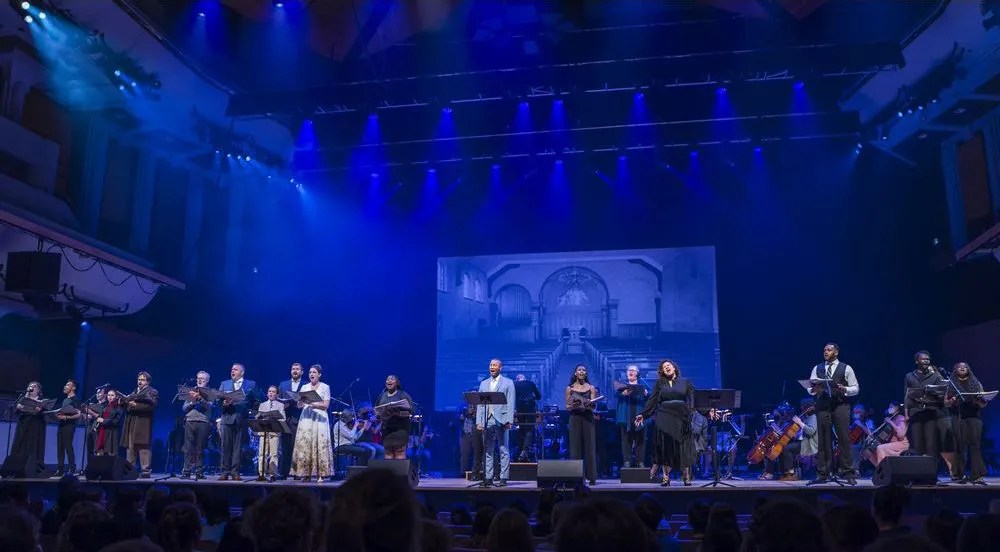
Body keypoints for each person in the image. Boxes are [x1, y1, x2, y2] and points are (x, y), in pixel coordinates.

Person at [635, 359, 695, 486]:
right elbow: (653, 400)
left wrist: (696, 411)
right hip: (664, 417)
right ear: (662, 371)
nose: (666, 368)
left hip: (681, 417)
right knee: (665, 447)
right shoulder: (659, 383)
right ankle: (666, 478)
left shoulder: (685, 382)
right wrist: (644, 414)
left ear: (674, 367)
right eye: (664, 367)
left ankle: (686, 477)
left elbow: (693, 399)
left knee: (683, 447)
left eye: (668, 365)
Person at [807, 343, 860, 485]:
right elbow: (810, 386)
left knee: (844, 439)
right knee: (823, 440)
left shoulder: (846, 368)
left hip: (840, 405)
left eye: (829, 350)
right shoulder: (817, 368)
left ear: (836, 353)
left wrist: (845, 389)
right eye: (824, 350)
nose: (825, 352)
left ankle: (848, 472)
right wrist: (813, 390)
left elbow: (855, 388)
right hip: (823, 405)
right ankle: (823, 473)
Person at [903, 351, 947, 476]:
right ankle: (918, 474)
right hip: (916, 413)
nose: (926, 361)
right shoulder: (909, 376)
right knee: (917, 444)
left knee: (931, 444)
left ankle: (932, 474)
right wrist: (906, 414)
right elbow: (906, 396)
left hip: (931, 412)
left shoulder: (935, 376)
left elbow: (942, 392)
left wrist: (934, 391)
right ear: (917, 361)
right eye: (923, 359)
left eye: (928, 359)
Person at [291, 364, 333, 482]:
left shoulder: (325, 387)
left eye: (314, 372)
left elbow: (326, 405)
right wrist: (299, 401)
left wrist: (312, 403)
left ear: (319, 374)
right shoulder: (304, 387)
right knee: (306, 443)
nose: (311, 374)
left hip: (319, 418)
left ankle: (321, 473)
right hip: (306, 418)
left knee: (319, 443)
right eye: (310, 372)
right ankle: (305, 473)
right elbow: (300, 405)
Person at [476, 359, 514, 487]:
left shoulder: (508, 383)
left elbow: (510, 402)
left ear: (500, 368)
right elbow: (480, 405)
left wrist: (509, 420)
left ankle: (503, 477)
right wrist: (479, 421)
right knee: (488, 450)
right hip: (488, 419)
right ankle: (488, 477)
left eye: (495, 365)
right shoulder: (483, 383)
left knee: (503, 449)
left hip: (502, 419)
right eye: (491, 365)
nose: (492, 367)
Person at [947, 361, 987, 484]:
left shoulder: (976, 383)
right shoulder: (951, 384)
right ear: (955, 369)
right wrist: (952, 400)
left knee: (975, 446)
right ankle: (959, 474)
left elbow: (983, 404)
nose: (963, 368)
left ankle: (977, 475)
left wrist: (979, 401)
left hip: (974, 417)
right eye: (960, 367)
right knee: (960, 446)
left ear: (968, 369)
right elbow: (945, 403)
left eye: (965, 367)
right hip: (958, 417)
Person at [219, 363, 256, 481]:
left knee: (237, 447)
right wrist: (223, 403)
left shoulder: (250, 384)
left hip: (240, 418)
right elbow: (218, 400)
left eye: (235, 369)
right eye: (232, 369)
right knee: (225, 446)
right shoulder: (224, 384)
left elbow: (252, 401)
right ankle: (224, 472)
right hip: (227, 417)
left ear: (242, 372)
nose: (232, 371)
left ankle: (235, 471)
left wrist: (235, 402)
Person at [122, 371, 159, 478]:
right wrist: (125, 402)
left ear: (148, 381)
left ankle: (145, 471)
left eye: (142, 380)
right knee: (130, 447)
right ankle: (130, 470)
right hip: (132, 421)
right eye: (139, 379)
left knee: (143, 447)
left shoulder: (152, 391)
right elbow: (128, 406)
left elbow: (151, 406)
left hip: (143, 423)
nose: (139, 381)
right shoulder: (134, 392)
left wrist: (135, 405)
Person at [566, 364, 598, 485]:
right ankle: (576, 476)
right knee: (575, 447)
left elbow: (594, 407)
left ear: (586, 373)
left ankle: (592, 477)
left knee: (590, 447)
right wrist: (573, 405)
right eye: (579, 369)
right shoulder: (570, 388)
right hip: (575, 418)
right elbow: (567, 407)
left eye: (584, 370)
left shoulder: (591, 388)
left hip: (588, 418)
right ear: (575, 373)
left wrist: (590, 404)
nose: (581, 371)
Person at [615, 364, 649, 468]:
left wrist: (646, 394)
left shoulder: (643, 386)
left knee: (641, 439)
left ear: (637, 373)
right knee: (626, 440)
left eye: (633, 370)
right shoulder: (621, 386)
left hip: (639, 414)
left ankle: (640, 461)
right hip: (626, 416)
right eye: (629, 370)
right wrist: (623, 393)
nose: (631, 372)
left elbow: (649, 400)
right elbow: (616, 395)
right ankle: (627, 460)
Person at [180, 371, 212, 480]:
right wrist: (193, 402)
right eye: (198, 378)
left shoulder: (210, 392)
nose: (199, 380)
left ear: (207, 381)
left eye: (202, 378)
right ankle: (186, 471)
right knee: (188, 448)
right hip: (190, 420)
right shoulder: (191, 391)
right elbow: (184, 408)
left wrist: (199, 398)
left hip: (203, 421)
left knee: (200, 448)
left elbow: (209, 406)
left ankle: (199, 472)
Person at [11, 381, 48, 474]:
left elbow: (39, 412)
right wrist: (22, 408)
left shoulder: (42, 399)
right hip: (23, 424)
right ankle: (16, 466)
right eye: (30, 386)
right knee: (20, 443)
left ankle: (32, 467)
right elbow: (17, 408)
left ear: (38, 390)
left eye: (34, 386)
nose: (31, 387)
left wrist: (26, 408)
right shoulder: (23, 398)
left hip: (35, 425)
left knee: (32, 445)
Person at [376, 374, 415, 461]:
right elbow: (377, 411)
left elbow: (411, 412)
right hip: (387, 429)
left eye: (392, 379)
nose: (389, 381)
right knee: (388, 452)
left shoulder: (403, 394)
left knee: (399, 452)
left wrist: (396, 413)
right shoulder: (382, 395)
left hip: (400, 429)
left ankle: (399, 474)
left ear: (397, 383)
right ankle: (389, 474)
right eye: (387, 379)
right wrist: (379, 415)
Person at [277, 362, 305, 479]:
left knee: (297, 446)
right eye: (293, 369)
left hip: (298, 418)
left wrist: (301, 403)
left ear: (301, 372)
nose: (295, 371)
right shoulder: (283, 384)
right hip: (285, 418)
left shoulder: (305, 385)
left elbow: (307, 401)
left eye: (297, 369)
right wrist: (282, 404)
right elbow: (278, 399)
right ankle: (283, 472)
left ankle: (297, 472)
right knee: (285, 446)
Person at [256, 385, 286, 481]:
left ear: (276, 394)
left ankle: (273, 474)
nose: (271, 393)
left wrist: (274, 417)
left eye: (273, 392)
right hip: (263, 432)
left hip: (274, 432)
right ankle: (262, 474)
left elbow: (283, 418)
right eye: (269, 391)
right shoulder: (262, 404)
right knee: (262, 454)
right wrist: (259, 416)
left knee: (274, 454)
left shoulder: (280, 405)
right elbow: (258, 417)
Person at [53, 379, 82, 477]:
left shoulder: (76, 400)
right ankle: (60, 469)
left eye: (68, 385)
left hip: (69, 426)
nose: (65, 386)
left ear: (73, 388)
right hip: (61, 425)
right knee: (60, 448)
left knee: (68, 447)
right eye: (65, 384)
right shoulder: (65, 400)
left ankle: (72, 468)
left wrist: (66, 417)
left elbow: (78, 415)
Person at [513, 374, 541, 462]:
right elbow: (539, 396)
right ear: (525, 378)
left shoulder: (514, 384)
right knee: (529, 429)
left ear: (517, 379)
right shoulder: (530, 383)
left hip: (519, 408)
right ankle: (525, 451)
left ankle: (520, 450)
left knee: (521, 429)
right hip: (530, 408)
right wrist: (531, 398)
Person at [81, 385, 108, 470]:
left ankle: (98, 469)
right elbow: (89, 417)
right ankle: (90, 468)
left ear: (105, 394)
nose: (97, 394)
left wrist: (91, 412)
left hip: (99, 430)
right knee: (89, 449)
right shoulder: (93, 405)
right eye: (97, 393)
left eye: (100, 392)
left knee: (97, 450)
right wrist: (83, 414)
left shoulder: (106, 406)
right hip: (90, 428)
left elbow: (102, 416)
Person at [457, 397, 483, 478]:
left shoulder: (480, 406)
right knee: (464, 453)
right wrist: (467, 413)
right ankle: (463, 472)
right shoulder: (463, 406)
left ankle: (477, 472)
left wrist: (474, 413)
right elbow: (459, 416)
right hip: (465, 433)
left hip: (476, 432)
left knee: (477, 454)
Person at [94, 389, 123, 456]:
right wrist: (97, 424)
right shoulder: (105, 406)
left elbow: (117, 421)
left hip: (112, 432)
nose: (110, 397)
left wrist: (104, 421)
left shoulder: (119, 407)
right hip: (102, 431)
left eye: (112, 395)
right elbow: (100, 417)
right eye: (108, 395)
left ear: (116, 397)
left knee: (110, 453)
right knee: (100, 452)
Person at [850, 404, 876, 475]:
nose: (856, 414)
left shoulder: (869, 421)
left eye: (858, 412)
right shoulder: (854, 422)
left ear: (863, 413)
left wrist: (860, 425)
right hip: (856, 443)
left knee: (854, 448)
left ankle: (856, 470)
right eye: (854, 412)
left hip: (867, 444)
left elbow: (871, 434)